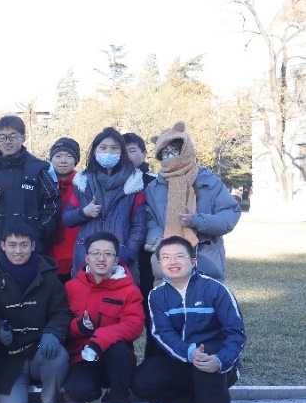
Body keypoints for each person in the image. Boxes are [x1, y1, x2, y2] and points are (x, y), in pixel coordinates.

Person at [131, 236, 246, 403]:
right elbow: (162, 333)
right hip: (182, 359)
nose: (172, 262)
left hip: (218, 365)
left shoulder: (215, 289)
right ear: (159, 264)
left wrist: (221, 360)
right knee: (141, 382)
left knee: (206, 353)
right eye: (166, 257)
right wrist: (189, 352)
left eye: (179, 256)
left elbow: (236, 333)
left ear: (193, 261)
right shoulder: (157, 295)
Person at [0, 224, 70, 403]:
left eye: (23, 245)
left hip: (40, 349)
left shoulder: (48, 276)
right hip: (9, 355)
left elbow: (61, 312)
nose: (18, 251)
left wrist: (52, 333)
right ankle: (12, 389)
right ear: (3, 246)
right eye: (12, 245)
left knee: (58, 355)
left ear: (33, 246)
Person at [63, 231, 145, 403]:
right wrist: (78, 326)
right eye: (96, 253)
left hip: (115, 359)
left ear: (116, 260)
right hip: (82, 356)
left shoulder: (129, 290)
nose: (101, 258)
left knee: (119, 349)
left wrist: (100, 340)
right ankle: (95, 396)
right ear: (86, 258)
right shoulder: (71, 287)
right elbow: (62, 322)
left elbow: (134, 325)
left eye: (108, 254)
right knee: (77, 390)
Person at [144, 122, 241, 282]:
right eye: (165, 153)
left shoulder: (208, 180)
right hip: (167, 263)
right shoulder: (154, 188)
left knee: (207, 297)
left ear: (186, 149)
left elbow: (229, 214)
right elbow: (149, 220)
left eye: (174, 151)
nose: (170, 156)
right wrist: (158, 240)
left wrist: (197, 221)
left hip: (206, 261)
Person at [0, 115, 60, 277]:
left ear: (23, 138)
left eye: (13, 137)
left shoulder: (38, 169)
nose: (7, 142)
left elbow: (53, 205)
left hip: (29, 250)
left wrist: (39, 230)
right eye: (2, 137)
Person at [61, 127, 148, 283]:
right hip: (86, 258)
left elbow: (139, 226)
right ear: (95, 151)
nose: (108, 152)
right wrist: (84, 213)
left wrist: (128, 253)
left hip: (120, 260)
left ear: (122, 152)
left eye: (114, 148)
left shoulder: (133, 183)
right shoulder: (83, 182)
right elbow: (67, 218)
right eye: (103, 147)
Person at [124, 131, 161, 357]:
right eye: (123, 151)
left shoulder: (154, 183)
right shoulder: (115, 181)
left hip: (148, 254)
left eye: (132, 150)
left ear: (144, 153)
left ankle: (153, 361)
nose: (127, 156)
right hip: (122, 254)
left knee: (152, 311)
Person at [44, 137, 80, 283]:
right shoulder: (43, 183)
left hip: (75, 257)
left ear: (75, 160)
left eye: (69, 156)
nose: (63, 161)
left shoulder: (83, 185)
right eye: (58, 156)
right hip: (46, 254)